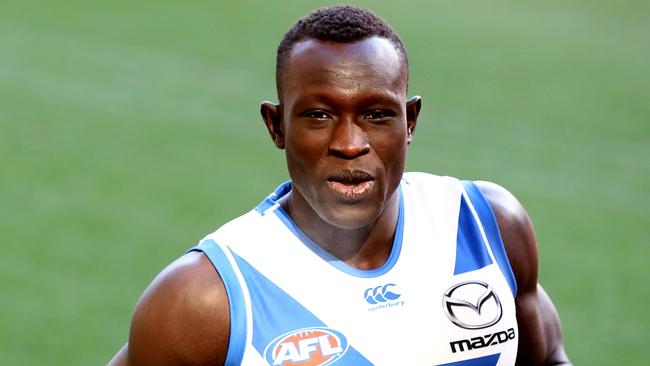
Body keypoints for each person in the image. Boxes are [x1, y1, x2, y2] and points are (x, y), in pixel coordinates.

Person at [109, 5, 570, 366]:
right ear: (276, 126)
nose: (350, 144)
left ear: (409, 121)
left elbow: (546, 358)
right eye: (319, 115)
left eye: (376, 115)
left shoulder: (486, 227)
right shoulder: (207, 300)